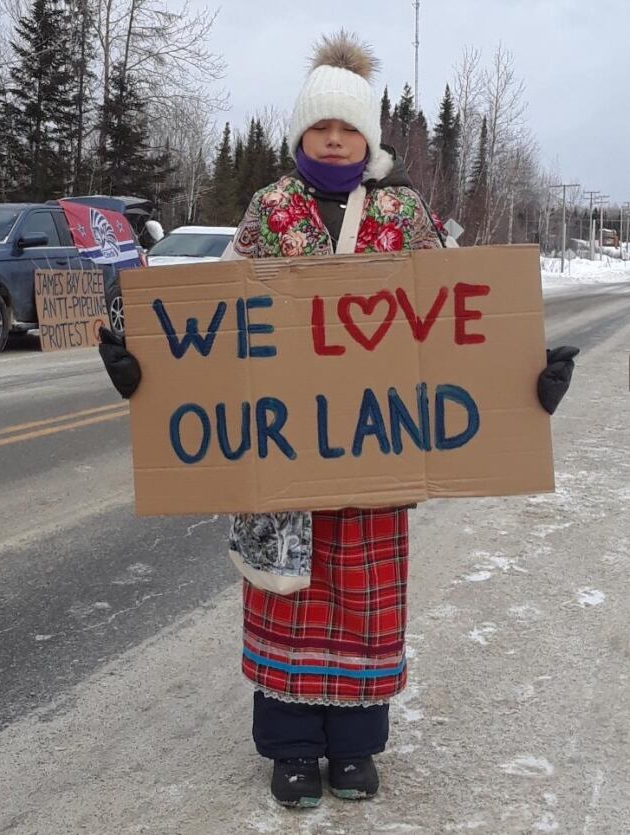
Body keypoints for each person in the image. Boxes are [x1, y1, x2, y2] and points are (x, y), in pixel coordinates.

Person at [98, 31, 578, 810]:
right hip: (285, 465)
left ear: (369, 137)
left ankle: (354, 746)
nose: (332, 136)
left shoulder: (403, 213)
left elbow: (454, 329)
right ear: (299, 135)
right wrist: (149, 373)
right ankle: (291, 747)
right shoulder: (269, 210)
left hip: (375, 462)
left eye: (347, 125)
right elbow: (221, 327)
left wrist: (524, 382)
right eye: (319, 124)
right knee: (288, 602)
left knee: (363, 598)